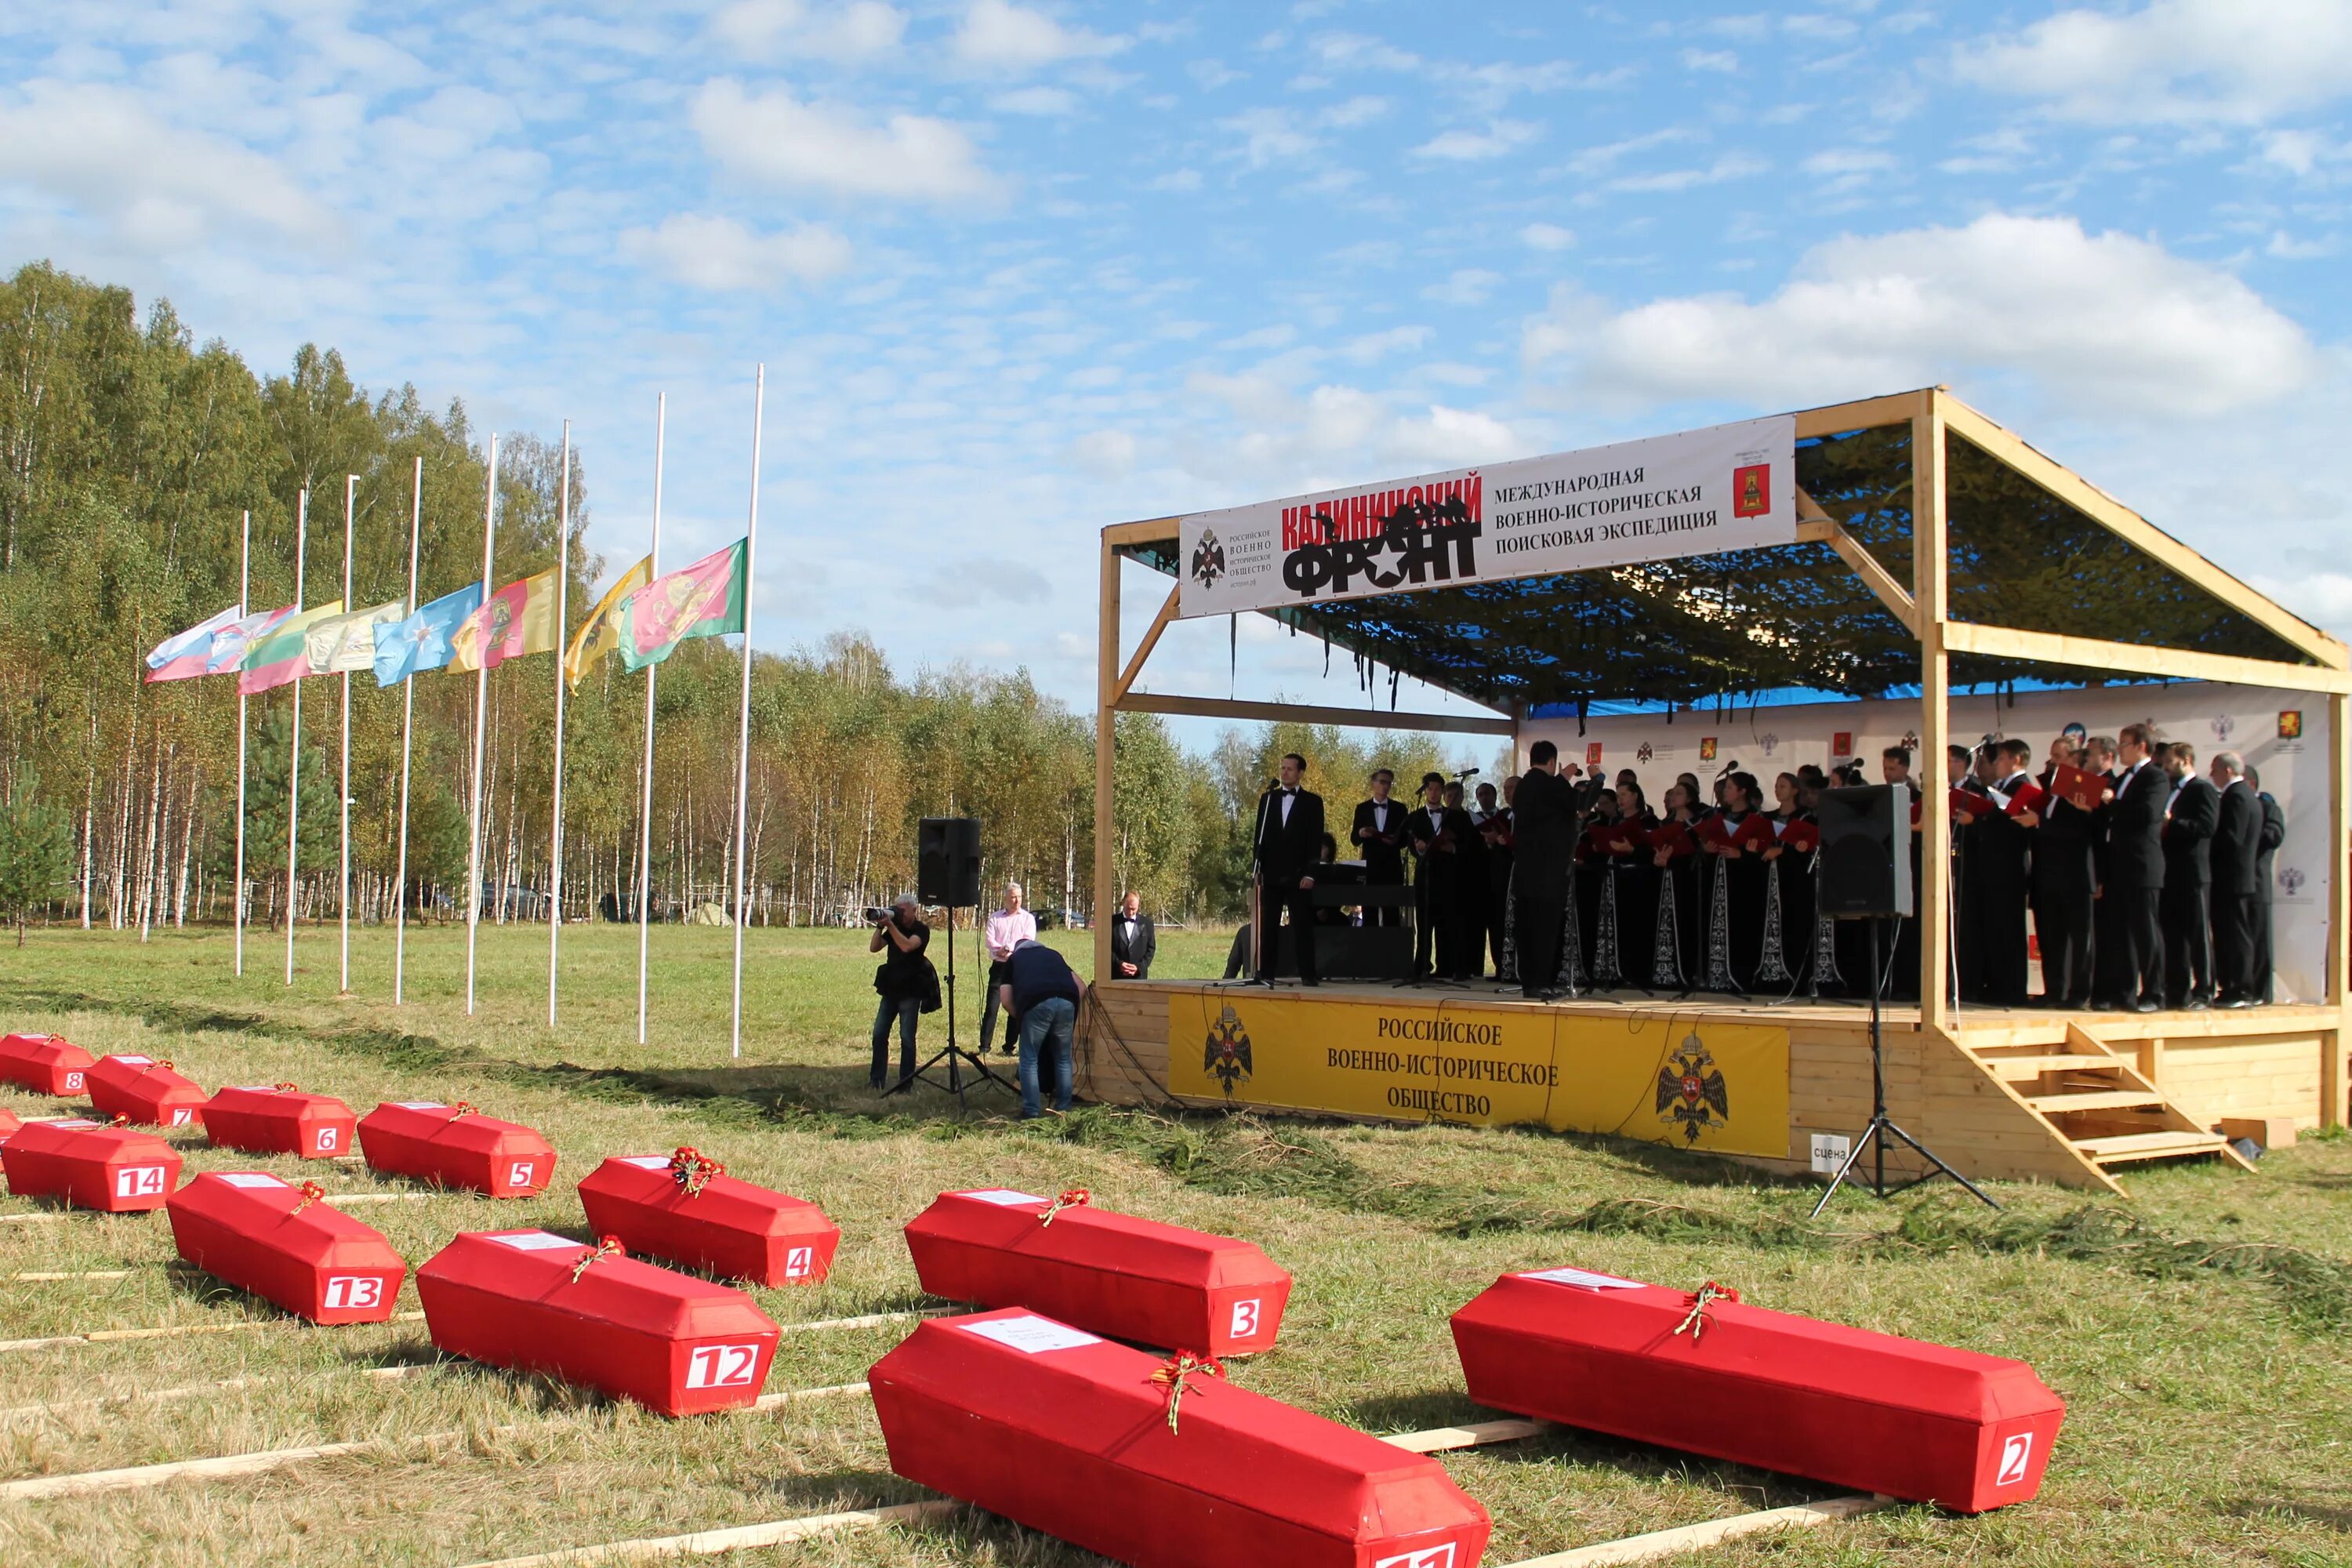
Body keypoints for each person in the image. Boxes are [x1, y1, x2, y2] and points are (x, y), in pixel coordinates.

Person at [2103, 724, 2169, 1012]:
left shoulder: (2155, 777)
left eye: (2125, 743)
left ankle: (2154, 993)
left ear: (2142, 746)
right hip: (2119, 864)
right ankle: (2124, 993)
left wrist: (2113, 803)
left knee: (2146, 931)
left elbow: (2147, 814)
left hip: (2143, 864)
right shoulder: (2122, 778)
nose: (2120, 749)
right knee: (2120, 933)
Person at [2032, 735, 2097, 1009]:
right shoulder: (2053, 790)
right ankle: (2054, 990)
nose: (2054, 763)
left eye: (2059, 758)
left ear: (2074, 759)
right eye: (2052, 757)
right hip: (2048, 873)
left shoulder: (2083, 787)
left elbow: (2080, 831)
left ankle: (2079, 993)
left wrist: (2039, 824)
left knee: (2079, 937)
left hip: (2075, 873)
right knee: (2051, 936)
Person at [1511, 740, 1576, 997]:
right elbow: (1574, 804)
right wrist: (1567, 778)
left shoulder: (1523, 786)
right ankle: (1541, 982)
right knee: (1545, 930)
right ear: (1551, 761)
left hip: (1525, 872)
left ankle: (1530, 982)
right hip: (1547, 874)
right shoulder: (1551, 785)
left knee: (1526, 930)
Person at [1254, 752, 1324, 985]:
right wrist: (1258, 868)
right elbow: (1259, 837)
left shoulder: (1313, 802)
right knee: (1269, 926)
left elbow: (1315, 841)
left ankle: (1308, 974)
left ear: (1301, 773)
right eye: (1282, 768)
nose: (1284, 772)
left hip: (1299, 874)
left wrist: (1310, 873)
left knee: (1302, 925)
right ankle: (1267, 973)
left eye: (1289, 769)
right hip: (1272, 873)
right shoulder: (1268, 799)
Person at [2159, 740, 2218, 1009]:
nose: (2166, 766)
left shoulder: (2202, 789)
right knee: (2173, 935)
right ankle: (2176, 990)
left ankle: (2203, 991)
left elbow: (2207, 826)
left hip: (2193, 872)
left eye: (2170, 761)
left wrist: (2174, 823)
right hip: (2170, 872)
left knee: (2197, 935)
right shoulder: (2170, 789)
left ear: (2185, 760)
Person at [1000, 936, 1085, 1119]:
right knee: (1063, 1058)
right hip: (1067, 1000)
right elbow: (1082, 988)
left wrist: (1023, 1017)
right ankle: (1063, 1109)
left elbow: (1006, 1000)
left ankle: (1031, 1111)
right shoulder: (1054, 955)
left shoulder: (1014, 960)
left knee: (1029, 1059)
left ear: (1017, 950)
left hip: (1036, 1002)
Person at [1409, 771, 1476, 979]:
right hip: (1426, 876)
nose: (1434, 792)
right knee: (1425, 924)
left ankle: (1450, 966)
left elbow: (1468, 844)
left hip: (1449, 877)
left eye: (1438, 789)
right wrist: (1419, 848)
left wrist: (1452, 848)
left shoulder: (1455, 817)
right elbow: (1411, 847)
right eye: (1430, 789)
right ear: (1425, 790)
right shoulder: (1415, 817)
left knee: (1449, 923)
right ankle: (1422, 966)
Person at [2207, 751, 2262, 1007]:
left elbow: (2232, 837)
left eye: (2214, 770)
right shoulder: (2245, 795)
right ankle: (2231, 986)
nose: (2211, 776)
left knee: (2235, 934)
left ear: (2227, 771)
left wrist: (2208, 841)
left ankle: (2240, 988)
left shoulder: (2237, 796)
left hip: (2232, 877)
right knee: (2230, 933)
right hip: (2234, 877)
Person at [869, 895, 937, 1091]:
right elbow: (874, 948)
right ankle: (876, 1080)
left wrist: (891, 926)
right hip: (891, 987)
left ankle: (905, 1082)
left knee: (907, 1037)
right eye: (896, 909)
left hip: (911, 988)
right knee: (879, 1034)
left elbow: (907, 946)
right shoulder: (893, 927)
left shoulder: (921, 930)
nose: (899, 913)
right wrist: (880, 926)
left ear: (914, 910)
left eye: (903, 910)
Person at [978, 881, 1036, 1056]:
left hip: (1018, 966)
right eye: (1013, 897)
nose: (1016, 901)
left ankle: (1009, 1046)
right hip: (999, 967)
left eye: (1019, 897)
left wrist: (1009, 948)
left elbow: (1027, 940)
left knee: (1015, 1006)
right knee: (992, 1006)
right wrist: (1000, 950)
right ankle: (984, 1045)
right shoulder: (996, 918)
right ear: (1006, 898)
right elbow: (989, 940)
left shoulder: (1027, 918)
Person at [1352, 769, 1407, 927]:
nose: (1386, 786)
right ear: (1373, 783)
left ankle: (1391, 951)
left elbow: (1404, 840)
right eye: (1382, 782)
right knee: (1369, 915)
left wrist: (1394, 840)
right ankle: (1370, 951)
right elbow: (1354, 839)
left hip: (1392, 868)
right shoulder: (1362, 808)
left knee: (1392, 916)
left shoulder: (1399, 809)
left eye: (1389, 783)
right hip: (1370, 869)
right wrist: (1361, 833)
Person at [2249, 764, 2285, 1003]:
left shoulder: (2267, 806)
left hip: (2258, 880)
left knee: (2260, 938)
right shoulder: (2230, 804)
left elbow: (2274, 835)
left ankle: (2261, 993)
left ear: (2250, 784)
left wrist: (2248, 833)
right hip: (2234, 880)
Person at [1109, 891, 1155, 979]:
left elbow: (1151, 949)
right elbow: (1105, 948)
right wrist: (1119, 964)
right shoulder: (1112, 922)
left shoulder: (1147, 923)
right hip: (1116, 976)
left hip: (1139, 977)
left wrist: (1139, 967)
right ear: (1123, 904)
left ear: (1138, 906)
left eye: (1134, 909)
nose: (1130, 913)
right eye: (1127, 908)